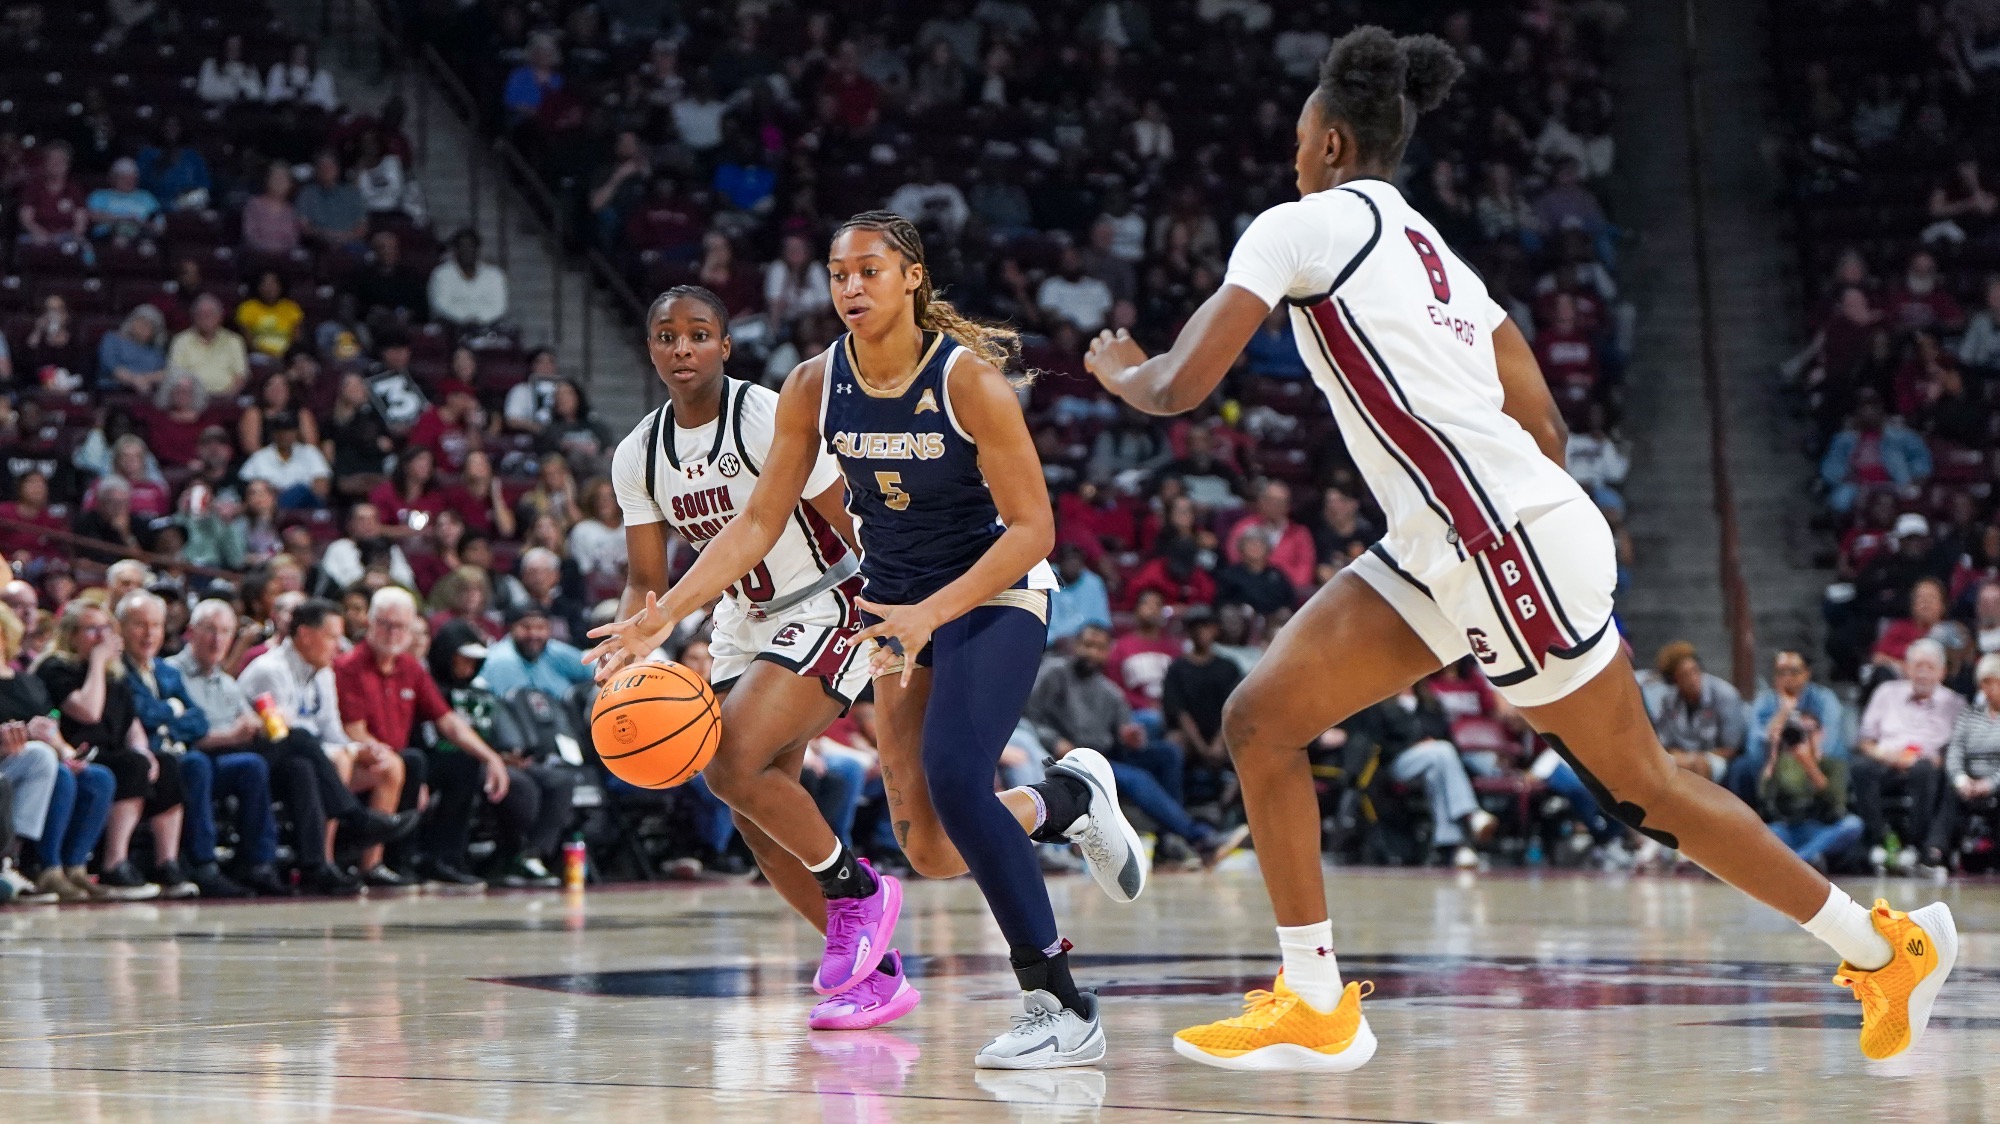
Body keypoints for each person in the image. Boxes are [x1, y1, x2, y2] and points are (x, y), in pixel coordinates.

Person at [1080, 26, 1956, 1069]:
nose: (1290, 152)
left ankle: (1878, 945)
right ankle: (1311, 995)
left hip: (1494, 541)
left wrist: (1121, 371)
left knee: (1645, 791)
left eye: (1297, 137)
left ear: (1324, 143)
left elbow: (1180, 386)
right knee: (1259, 719)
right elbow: (1541, 422)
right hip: (1468, 535)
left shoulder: (1295, 225)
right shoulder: (1432, 253)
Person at [588, 264, 1142, 1062]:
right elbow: (645, 579)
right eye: (668, 338)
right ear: (648, 348)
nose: (683, 351)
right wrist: (628, 643)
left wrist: (901, 610)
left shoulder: (767, 411)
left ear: (725, 344)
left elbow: (849, 517)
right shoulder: (640, 455)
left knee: (730, 762)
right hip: (744, 618)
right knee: (871, 834)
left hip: (834, 596)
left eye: (699, 336)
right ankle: (1047, 814)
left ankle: (859, 894)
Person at [184, 599, 416, 895]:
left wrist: (357, 749)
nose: (338, 646)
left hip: (282, 756)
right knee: (301, 740)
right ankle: (353, 817)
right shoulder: (271, 669)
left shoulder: (322, 672)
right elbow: (282, 732)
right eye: (332, 637)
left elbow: (331, 731)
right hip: (246, 752)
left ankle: (315, 865)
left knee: (303, 767)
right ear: (305, 634)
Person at [336, 587, 510, 889]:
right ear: (370, 623)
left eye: (400, 626)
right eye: (385, 624)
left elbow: (448, 722)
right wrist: (388, 757)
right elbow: (353, 729)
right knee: (411, 762)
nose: (392, 633)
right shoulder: (348, 666)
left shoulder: (410, 668)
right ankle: (387, 861)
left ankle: (444, 859)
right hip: (363, 760)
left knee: (463, 764)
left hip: (400, 756)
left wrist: (491, 757)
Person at [1027, 623, 1243, 866]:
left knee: (1169, 753)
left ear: (1108, 653)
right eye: (1087, 645)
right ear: (1076, 646)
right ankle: (1198, 837)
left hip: (1105, 754)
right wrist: (1055, 741)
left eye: (1099, 648)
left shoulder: (1110, 692)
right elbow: (1027, 716)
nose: (1091, 653)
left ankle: (1168, 839)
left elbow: (1124, 732)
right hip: (1069, 757)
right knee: (1137, 778)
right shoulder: (1054, 674)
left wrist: (1131, 737)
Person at [116, 590, 274, 898]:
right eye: (140, 625)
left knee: (252, 765)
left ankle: (258, 863)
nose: (149, 633)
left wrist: (172, 717)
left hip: (185, 755)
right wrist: (173, 712)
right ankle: (203, 864)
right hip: (154, 759)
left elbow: (197, 720)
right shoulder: (122, 670)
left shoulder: (163, 671)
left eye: (156, 625)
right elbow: (145, 714)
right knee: (195, 764)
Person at [33, 600, 174, 899]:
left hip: (107, 752)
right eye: (92, 630)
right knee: (119, 770)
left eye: (106, 629)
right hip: (73, 751)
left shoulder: (115, 675)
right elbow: (88, 711)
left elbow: (131, 723)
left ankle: (166, 863)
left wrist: (143, 750)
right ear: (71, 635)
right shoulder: (56, 667)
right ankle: (112, 862)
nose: (101, 638)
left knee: (165, 764)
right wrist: (97, 662)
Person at [426, 619, 575, 888]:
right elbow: (437, 736)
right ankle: (502, 853)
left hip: (493, 758)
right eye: (463, 659)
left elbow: (496, 730)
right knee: (519, 787)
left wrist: (508, 754)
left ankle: (531, 855)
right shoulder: (433, 689)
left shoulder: (481, 690)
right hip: (455, 761)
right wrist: (492, 758)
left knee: (560, 780)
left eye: (475, 661)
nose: (469, 666)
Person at [1852, 638, 1962, 873]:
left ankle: (1916, 843)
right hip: (1886, 760)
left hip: (1927, 764)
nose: (1922, 673)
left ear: (1942, 672)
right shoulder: (1886, 692)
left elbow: (1956, 747)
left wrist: (1937, 760)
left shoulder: (1954, 702)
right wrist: (1885, 755)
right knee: (1861, 768)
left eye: (1929, 667)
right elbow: (1865, 740)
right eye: (1917, 666)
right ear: (1907, 668)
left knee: (1927, 772)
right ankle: (1882, 840)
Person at [1932, 652, 2000, 870]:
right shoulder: (1969, 714)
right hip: (1969, 779)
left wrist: (1990, 784)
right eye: (1985, 683)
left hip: (1996, 780)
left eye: (1994, 683)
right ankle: (1935, 851)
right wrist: (1961, 779)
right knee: (1948, 787)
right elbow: (1955, 750)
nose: (1989, 689)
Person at [479, 605, 592, 698]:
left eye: (540, 627)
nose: (534, 634)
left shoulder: (553, 650)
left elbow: (594, 671)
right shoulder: (501, 660)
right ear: (510, 629)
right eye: (526, 627)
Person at [167, 294, 250, 397]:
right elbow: (175, 374)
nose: (206, 318)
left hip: (225, 399)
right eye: (201, 314)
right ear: (194, 317)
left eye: (210, 314)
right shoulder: (181, 340)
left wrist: (227, 398)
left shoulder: (234, 341)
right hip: (191, 401)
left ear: (220, 317)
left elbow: (241, 376)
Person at [429, 229, 509, 330]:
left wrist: (478, 320)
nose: (466, 250)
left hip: (488, 328)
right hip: (451, 329)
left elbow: (499, 306)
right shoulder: (441, 274)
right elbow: (441, 305)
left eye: (470, 246)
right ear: (455, 250)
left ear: (477, 249)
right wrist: (465, 319)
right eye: (462, 246)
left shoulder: (494, 275)